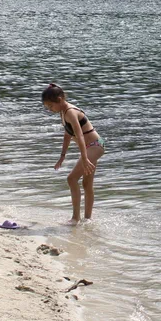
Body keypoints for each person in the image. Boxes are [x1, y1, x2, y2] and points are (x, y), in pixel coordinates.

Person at [42, 83, 105, 223]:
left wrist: (83, 157)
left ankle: (75, 218)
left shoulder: (70, 111)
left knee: (71, 179)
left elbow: (80, 135)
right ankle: (87, 220)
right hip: (89, 148)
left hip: (95, 145)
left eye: (51, 106)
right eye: (48, 107)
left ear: (59, 100)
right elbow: (67, 135)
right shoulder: (63, 113)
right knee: (87, 184)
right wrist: (62, 157)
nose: (50, 109)